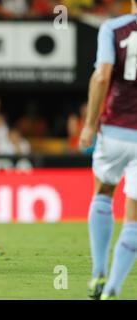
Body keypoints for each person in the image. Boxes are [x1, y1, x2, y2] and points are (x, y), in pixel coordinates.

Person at [79, 0, 137, 300]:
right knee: (135, 214)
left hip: (114, 129)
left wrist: (90, 123)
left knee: (103, 193)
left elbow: (102, 76)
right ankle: (113, 286)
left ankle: (98, 272)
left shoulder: (113, 28)